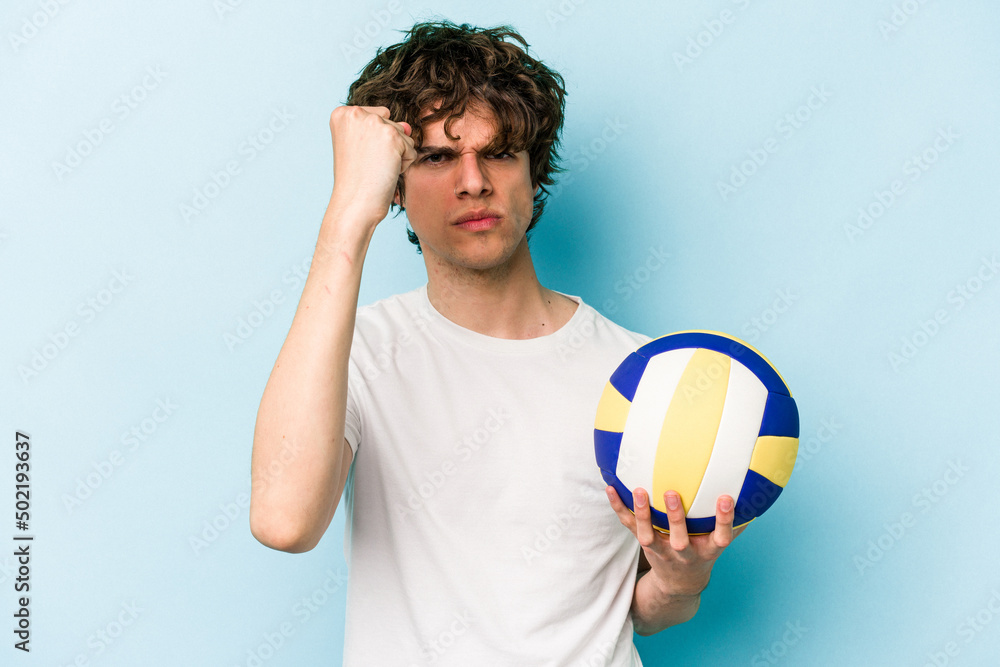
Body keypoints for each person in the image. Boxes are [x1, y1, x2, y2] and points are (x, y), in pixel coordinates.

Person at [249, 20, 744, 666]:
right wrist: (348, 216)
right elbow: (283, 520)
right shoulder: (357, 353)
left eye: (500, 151)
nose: (474, 181)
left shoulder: (639, 377)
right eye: (436, 157)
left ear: (533, 171)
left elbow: (629, 610)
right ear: (394, 182)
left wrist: (681, 580)